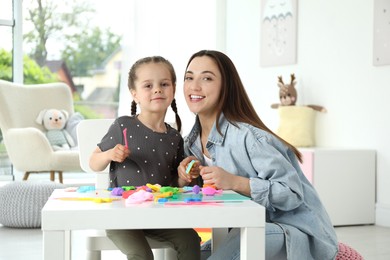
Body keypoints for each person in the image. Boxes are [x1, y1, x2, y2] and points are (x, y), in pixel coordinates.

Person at [178, 50, 339, 260]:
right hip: (244, 229)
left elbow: (292, 193)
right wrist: (184, 178)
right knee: (184, 254)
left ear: (226, 87)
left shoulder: (250, 138)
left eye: (206, 78)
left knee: (233, 245)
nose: (194, 86)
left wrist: (235, 182)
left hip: (294, 231)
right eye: (189, 77)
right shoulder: (191, 143)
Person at [89, 56, 201, 260]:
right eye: (148, 85)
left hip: (159, 217)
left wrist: (184, 177)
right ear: (135, 94)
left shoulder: (175, 137)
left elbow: (173, 184)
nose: (157, 89)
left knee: (191, 240)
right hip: (121, 218)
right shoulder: (123, 125)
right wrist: (109, 154)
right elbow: (94, 161)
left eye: (164, 84)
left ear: (173, 90)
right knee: (141, 255)